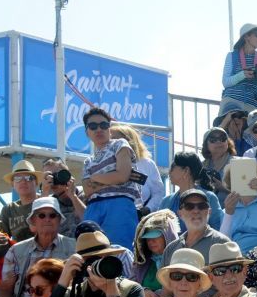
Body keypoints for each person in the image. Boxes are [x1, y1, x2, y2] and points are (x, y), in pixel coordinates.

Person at [0, 197, 75, 297]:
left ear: (59, 220)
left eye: (52, 215)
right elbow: (6, 289)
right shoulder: (15, 250)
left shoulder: (75, 247)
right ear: (33, 220)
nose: (47, 219)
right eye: (42, 215)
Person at [80, 107, 140, 250]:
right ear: (87, 132)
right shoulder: (88, 161)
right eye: (93, 126)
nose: (99, 129)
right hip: (93, 207)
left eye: (104, 125)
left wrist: (95, 178)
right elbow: (87, 190)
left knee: (120, 252)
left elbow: (122, 176)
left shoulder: (120, 144)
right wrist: (111, 177)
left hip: (119, 204)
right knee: (89, 253)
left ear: (109, 128)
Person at [162, 189, 231, 268]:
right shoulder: (170, 249)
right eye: (189, 206)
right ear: (180, 214)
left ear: (209, 212)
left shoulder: (222, 243)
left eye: (202, 206)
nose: (196, 211)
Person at [130, 210, 180, 297]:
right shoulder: (141, 262)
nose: (151, 241)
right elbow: (130, 284)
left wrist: (159, 295)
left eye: (155, 236)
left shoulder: (181, 260)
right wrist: (143, 290)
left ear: (168, 236)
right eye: (147, 238)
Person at [160, 151, 224, 232]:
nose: (169, 172)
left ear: (186, 171)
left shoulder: (210, 198)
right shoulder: (165, 201)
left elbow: (219, 230)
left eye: (172, 167)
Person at [109, 124, 164, 213]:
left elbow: (158, 193)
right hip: (111, 214)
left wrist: (147, 209)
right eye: (109, 140)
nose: (111, 143)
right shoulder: (104, 165)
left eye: (115, 139)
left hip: (139, 216)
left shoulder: (147, 164)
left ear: (129, 141)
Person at [220, 161, 257, 255]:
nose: (244, 179)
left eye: (248, 175)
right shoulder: (227, 209)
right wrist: (228, 213)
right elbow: (223, 241)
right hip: (236, 258)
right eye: (237, 176)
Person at [40, 157, 87, 237]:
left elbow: (91, 220)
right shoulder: (49, 203)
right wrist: (44, 193)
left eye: (56, 175)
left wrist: (73, 196)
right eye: (49, 177)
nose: (53, 181)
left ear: (66, 174)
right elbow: (38, 227)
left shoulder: (86, 194)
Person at [0, 160, 42, 242]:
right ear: (12, 184)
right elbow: (0, 239)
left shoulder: (47, 202)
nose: (23, 181)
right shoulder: (8, 210)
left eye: (28, 178)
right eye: (17, 178)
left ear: (36, 182)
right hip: (17, 250)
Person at [201, 127, 236, 205]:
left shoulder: (238, 163)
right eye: (213, 139)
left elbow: (247, 192)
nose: (219, 142)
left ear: (227, 142)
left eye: (222, 138)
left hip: (233, 210)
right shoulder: (201, 166)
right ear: (206, 145)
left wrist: (223, 188)